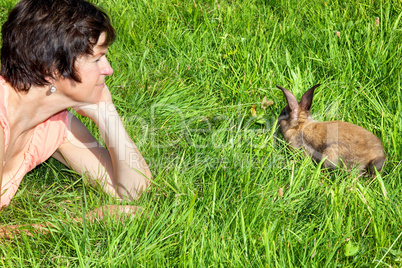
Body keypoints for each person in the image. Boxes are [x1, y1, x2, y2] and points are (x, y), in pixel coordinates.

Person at [0, 0, 152, 236]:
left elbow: (133, 190)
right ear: (51, 68)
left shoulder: (51, 123)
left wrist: (106, 112)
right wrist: (84, 221)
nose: (108, 69)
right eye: (97, 59)